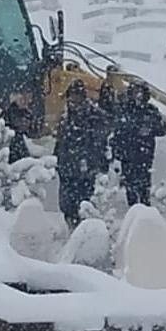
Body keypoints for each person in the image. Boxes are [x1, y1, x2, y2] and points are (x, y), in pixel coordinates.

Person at [54, 81, 107, 227]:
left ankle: (82, 228)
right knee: (66, 203)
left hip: (85, 167)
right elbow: (60, 141)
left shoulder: (94, 116)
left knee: (83, 202)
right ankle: (70, 225)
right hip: (66, 166)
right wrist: (57, 159)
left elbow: (99, 142)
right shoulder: (66, 117)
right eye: (71, 98)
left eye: (76, 98)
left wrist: (95, 162)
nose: (73, 102)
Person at [112, 81, 166, 207]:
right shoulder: (124, 110)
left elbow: (163, 129)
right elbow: (117, 133)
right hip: (127, 157)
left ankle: (145, 212)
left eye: (140, 92)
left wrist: (151, 128)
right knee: (130, 188)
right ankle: (133, 212)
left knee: (144, 188)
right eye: (135, 92)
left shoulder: (151, 111)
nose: (138, 95)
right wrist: (117, 154)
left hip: (145, 156)